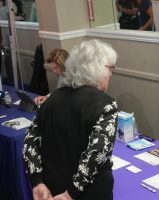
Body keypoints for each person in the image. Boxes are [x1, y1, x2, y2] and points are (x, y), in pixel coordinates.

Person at [23, 39, 118, 200]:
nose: (110, 74)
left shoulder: (51, 99)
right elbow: (96, 156)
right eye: (110, 68)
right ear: (96, 68)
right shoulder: (106, 105)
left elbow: (30, 142)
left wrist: (37, 182)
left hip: (52, 190)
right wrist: (70, 194)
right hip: (88, 194)